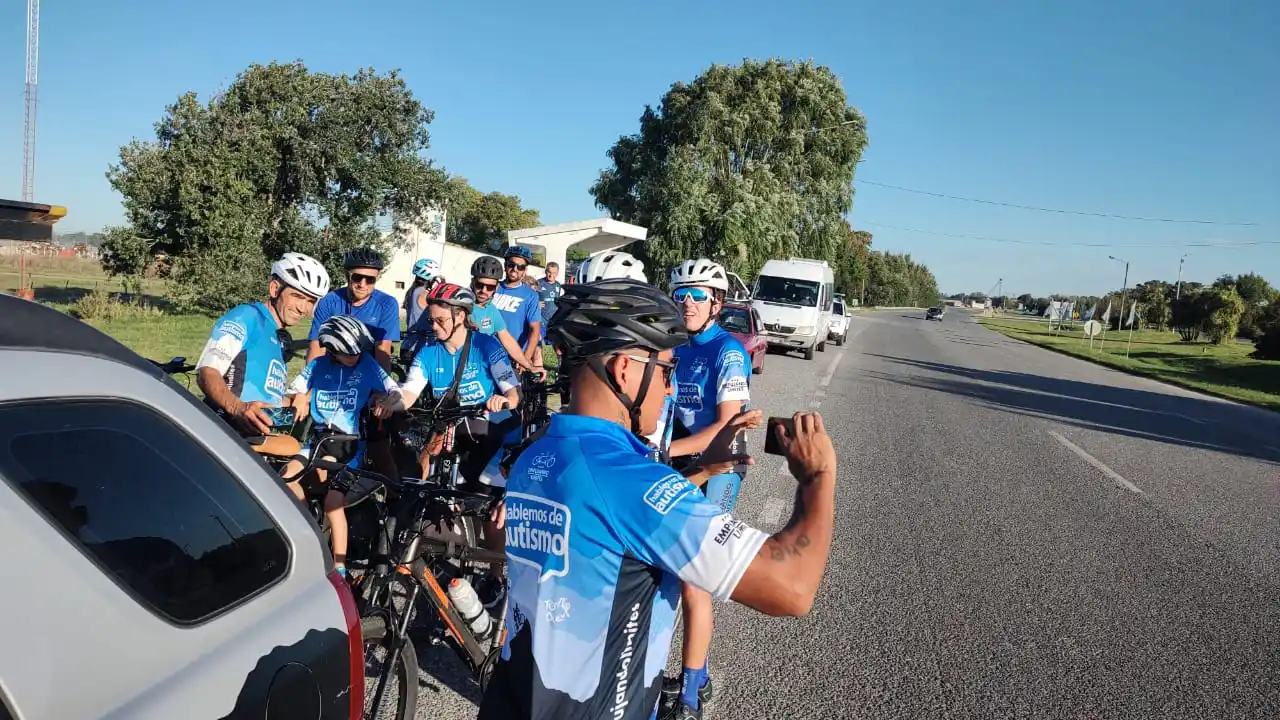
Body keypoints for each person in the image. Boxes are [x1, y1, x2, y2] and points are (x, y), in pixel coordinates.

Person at [478, 279, 837, 720]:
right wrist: (818, 476)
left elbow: (613, 530)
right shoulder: (633, 482)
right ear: (623, 370)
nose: (669, 389)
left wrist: (701, 471)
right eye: (667, 370)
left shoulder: (534, 456)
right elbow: (793, 588)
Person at [659, 259, 752, 719]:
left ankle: (692, 694)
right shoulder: (676, 345)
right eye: (681, 295)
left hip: (719, 464)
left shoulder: (727, 351)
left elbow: (725, 426)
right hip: (678, 459)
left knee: (695, 579)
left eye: (698, 295)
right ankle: (698, 670)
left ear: (717, 303)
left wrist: (665, 449)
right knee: (662, 569)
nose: (688, 303)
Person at [279, 315, 397, 576]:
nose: (357, 357)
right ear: (332, 350)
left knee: (333, 502)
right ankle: (310, 527)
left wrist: (388, 401)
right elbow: (293, 390)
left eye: (358, 352)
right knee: (285, 477)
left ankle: (340, 567)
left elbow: (394, 390)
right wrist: (299, 396)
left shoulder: (367, 364)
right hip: (319, 440)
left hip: (349, 445)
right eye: (349, 353)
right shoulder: (318, 365)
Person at [374, 282, 521, 489]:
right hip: (447, 422)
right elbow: (409, 393)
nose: (434, 327)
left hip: (483, 425)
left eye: (440, 320)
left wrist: (504, 399)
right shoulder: (427, 353)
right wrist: (391, 402)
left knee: (482, 486)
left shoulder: (486, 345)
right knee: (422, 471)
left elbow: (513, 392)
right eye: (431, 320)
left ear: (460, 316)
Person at [196, 252, 330, 436]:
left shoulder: (279, 337)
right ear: (275, 289)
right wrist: (238, 408)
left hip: (255, 437)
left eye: (311, 301)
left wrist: (296, 400)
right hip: (223, 432)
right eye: (297, 296)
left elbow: (263, 396)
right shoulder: (247, 316)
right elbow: (207, 372)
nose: (303, 308)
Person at [304, 247, 402, 483]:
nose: (363, 284)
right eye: (357, 277)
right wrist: (309, 386)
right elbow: (316, 346)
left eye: (370, 279)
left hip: (366, 375)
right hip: (334, 377)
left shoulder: (386, 304)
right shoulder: (330, 301)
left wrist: (381, 392)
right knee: (322, 446)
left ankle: (395, 494)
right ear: (347, 275)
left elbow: (383, 350)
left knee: (378, 448)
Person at [468, 255, 543, 377]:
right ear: (472, 283)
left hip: (491, 365)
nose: (484, 290)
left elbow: (507, 339)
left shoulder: (491, 309)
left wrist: (528, 364)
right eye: (479, 285)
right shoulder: (461, 307)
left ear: (496, 288)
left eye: (490, 287)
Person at [491, 246, 542, 369]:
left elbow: (535, 330)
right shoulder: (490, 288)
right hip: (486, 352)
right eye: (511, 264)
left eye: (520, 267)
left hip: (513, 358)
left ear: (525, 271)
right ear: (505, 266)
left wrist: (525, 359)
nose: (515, 269)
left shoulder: (531, 295)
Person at [401, 257, 444, 361]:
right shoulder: (424, 294)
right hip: (419, 347)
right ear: (431, 278)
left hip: (408, 345)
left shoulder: (413, 291)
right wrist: (440, 286)